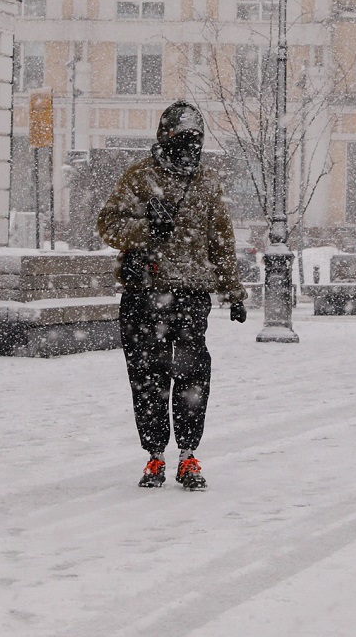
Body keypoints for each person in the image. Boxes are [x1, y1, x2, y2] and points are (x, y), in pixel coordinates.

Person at [97, 100, 247, 491]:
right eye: (183, 139)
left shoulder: (208, 183)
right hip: (146, 294)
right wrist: (147, 225)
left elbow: (221, 241)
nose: (190, 148)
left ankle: (188, 454)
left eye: (196, 140)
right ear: (166, 138)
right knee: (147, 376)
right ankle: (154, 455)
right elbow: (108, 224)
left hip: (191, 295)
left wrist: (234, 291)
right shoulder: (140, 178)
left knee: (192, 375)